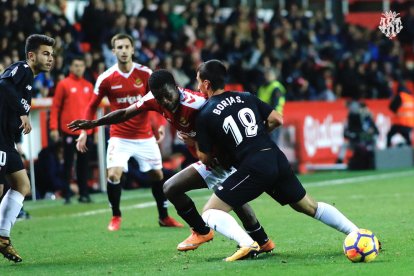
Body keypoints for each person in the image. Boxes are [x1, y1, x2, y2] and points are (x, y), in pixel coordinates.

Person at [68, 69, 275, 254]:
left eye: (167, 96)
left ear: (176, 87)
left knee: (229, 197)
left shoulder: (198, 103)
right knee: (173, 188)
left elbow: (224, 126)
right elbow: (125, 112)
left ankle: (258, 240)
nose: (164, 102)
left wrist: (223, 154)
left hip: (221, 157)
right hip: (206, 159)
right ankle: (208, 232)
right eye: (159, 99)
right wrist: (94, 123)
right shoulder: (154, 98)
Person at [195, 60, 361, 262]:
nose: (197, 88)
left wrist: (193, 140)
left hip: (253, 165)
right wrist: (258, 133)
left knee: (210, 211)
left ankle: (247, 244)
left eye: (198, 83)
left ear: (206, 84)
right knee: (309, 206)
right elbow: (277, 119)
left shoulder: (205, 112)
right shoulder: (246, 97)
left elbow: (204, 157)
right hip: (274, 156)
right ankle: (358, 234)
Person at [75, 33, 182, 231]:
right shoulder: (106, 78)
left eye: (127, 47)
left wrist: (158, 123)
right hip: (119, 136)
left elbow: (158, 101)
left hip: (144, 136)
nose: (123, 51)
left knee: (157, 175)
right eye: (119, 47)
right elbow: (91, 106)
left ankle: (164, 216)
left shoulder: (145, 73)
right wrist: (84, 132)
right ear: (113, 51)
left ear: (133, 49)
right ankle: (115, 216)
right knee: (114, 174)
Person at [0, 34, 55, 262]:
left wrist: (16, 141)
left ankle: (2, 237)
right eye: (45, 53)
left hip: (7, 141)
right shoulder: (22, 69)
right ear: (31, 56)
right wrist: (23, 113)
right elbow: (2, 85)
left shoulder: (29, 82)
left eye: (52, 54)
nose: (50, 58)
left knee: (22, 184)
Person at [50, 56, 94, 204]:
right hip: (69, 131)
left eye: (81, 66)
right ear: (70, 67)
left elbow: (92, 109)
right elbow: (55, 107)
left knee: (83, 164)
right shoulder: (63, 84)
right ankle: (67, 194)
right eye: (76, 65)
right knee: (68, 164)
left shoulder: (89, 85)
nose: (79, 68)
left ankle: (84, 194)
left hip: (85, 132)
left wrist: (94, 128)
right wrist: (54, 128)